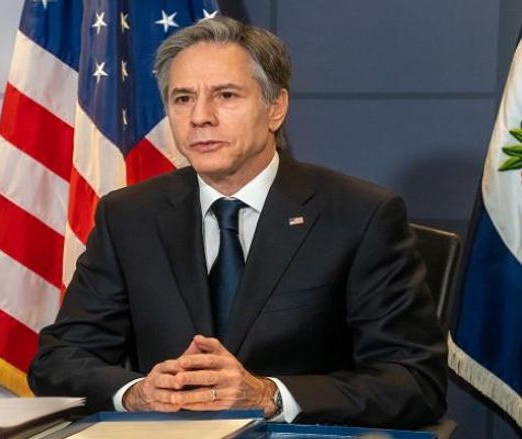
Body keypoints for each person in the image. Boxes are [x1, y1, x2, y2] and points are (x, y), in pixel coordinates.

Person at [28, 16, 447, 428]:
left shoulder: (359, 215)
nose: (200, 117)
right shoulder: (129, 216)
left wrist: (269, 396)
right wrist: (136, 393)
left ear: (275, 108)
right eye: (182, 98)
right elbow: (58, 361)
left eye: (226, 95)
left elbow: (414, 381)